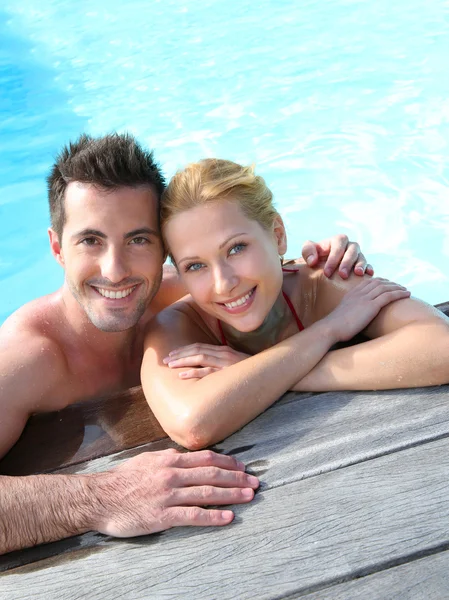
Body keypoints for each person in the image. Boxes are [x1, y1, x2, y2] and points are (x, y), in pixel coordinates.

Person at [0, 134, 371, 555]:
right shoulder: (28, 358)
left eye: (138, 239)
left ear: (165, 249)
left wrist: (330, 262)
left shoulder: (191, 293)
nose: (116, 270)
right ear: (56, 248)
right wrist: (99, 498)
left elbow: (262, 268)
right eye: (90, 240)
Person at [141, 158, 449, 451]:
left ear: (278, 235)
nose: (223, 283)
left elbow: (442, 347)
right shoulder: (177, 326)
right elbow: (191, 424)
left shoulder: (324, 281)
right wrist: (326, 332)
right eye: (195, 266)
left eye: (236, 248)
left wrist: (259, 374)